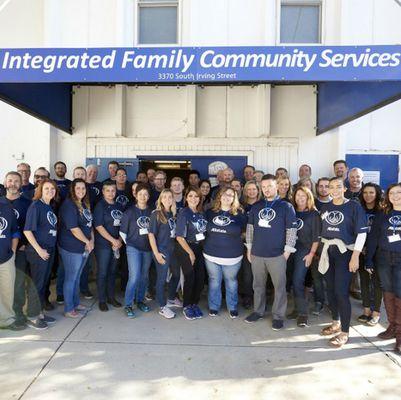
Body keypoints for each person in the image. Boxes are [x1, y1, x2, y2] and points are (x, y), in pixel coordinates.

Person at [318, 177, 367, 347]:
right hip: (328, 252)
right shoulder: (325, 207)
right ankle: (335, 322)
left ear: (345, 189)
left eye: (339, 186)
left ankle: (345, 331)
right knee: (330, 290)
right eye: (331, 187)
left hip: (345, 253)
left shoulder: (353, 206)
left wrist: (355, 256)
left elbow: (361, 233)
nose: (335, 189)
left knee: (341, 292)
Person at [244, 174, 297, 330]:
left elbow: (291, 230)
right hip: (257, 253)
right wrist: (249, 248)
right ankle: (258, 311)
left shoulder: (286, 206)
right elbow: (250, 229)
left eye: (270, 186)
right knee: (258, 285)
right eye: (264, 187)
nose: (266, 189)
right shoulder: (257, 206)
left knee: (279, 287)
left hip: (277, 255)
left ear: (277, 187)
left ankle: (278, 316)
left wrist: (286, 252)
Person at [366, 183, 401, 354]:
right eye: (392, 193)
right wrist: (369, 260)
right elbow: (373, 238)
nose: (395, 196)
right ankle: (393, 327)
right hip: (384, 258)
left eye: (399, 192)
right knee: (387, 292)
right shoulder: (383, 214)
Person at [203, 187, 246, 318]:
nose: (227, 197)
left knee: (231, 281)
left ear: (234, 198)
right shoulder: (210, 212)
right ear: (219, 196)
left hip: (233, 256)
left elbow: (246, 233)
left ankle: (232, 306)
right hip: (211, 255)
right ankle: (213, 306)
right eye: (224, 194)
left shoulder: (240, 214)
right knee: (214, 281)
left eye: (230, 195)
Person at [24, 179, 59, 330]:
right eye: (46, 188)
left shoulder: (48, 207)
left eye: (52, 189)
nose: (50, 191)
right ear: (40, 190)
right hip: (39, 252)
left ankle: (40, 314)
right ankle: (32, 316)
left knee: (44, 283)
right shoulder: (36, 205)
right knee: (37, 284)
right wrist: (39, 250)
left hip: (48, 251)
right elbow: (27, 231)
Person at [58, 179, 94, 318]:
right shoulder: (69, 205)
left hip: (84, 247)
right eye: (78, 188)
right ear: (72, 190)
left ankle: (75, 302)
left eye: (83, 188)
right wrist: (87, 241)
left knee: (77, 277)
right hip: (71, 247)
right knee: (71, 278)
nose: (81, 191)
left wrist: (91, 241)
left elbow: (89, 225)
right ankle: (68, 308)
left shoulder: (84, 204)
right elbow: (73, 228)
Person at [286, 187, 320, 328]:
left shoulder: (314, 214)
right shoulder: (291, 211)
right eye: (297, 195)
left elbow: (316, 237)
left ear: (308, 198)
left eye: (303, 196)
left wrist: (311, 254)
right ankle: (296, 309)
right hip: (290, 249)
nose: (300, 198)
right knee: (292, 281)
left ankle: (303, 314)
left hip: (304, 251)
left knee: (298, 280)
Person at [2, 172, 32, 328]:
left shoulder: (27, 203)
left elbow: (31, 225)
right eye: (10, 181)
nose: (13, 184)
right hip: (2, 250)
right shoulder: (1, 202)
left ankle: (18, 312)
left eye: (16, 181)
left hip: (19, 249)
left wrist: (25, 243)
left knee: (18, 282)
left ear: (21, 184)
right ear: (5, 183)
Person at [119, 183, 152, 318]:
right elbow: (122, 233)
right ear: (136, 195)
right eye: (140, 194)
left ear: (148, 196)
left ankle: (139, 300)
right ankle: (128, 304)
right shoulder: (129, 212)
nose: (143, 197)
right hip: (133, 248)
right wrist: (131, 244)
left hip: (148, 249)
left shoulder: (153, 212)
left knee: (144, 276)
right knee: (134, 276)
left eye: (145, 194)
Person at [175, 186, 207, 320]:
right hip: (186, 248)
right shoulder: (184, 212)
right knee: (190, 278)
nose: (193, 199)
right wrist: (190, 253)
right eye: (190, 196)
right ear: (186, 198)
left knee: (200, 278)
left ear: (200, 198)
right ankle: (187, 305)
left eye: (196, 196)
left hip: (199, 248)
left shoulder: (201, 213)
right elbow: (179, 237)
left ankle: (194, 303)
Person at [148, 189, 181, 319]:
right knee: (161, 279)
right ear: (161, 199)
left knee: (177, 274)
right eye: (165, 197)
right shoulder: (156, 214)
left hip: (173, 250)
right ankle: (162, 306)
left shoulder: (173, 214)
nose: (167, 199)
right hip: (162, 250)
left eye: (170, 197)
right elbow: (151, 235)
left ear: (173, 199)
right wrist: (156, 253)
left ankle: (171, 298)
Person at [93, 181, 123, 311]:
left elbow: (123, 225)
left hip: (116, 245)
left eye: (113, 190)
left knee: (112, 272)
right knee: (103, 272)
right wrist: (113, 240)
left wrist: (120, 240)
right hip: (104, 245)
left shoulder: (119, 205)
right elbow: (98, 226)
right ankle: (102, 300)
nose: (111, 193)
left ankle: (111, 297)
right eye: (108, 190)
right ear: (103, 192)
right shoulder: (100, 206)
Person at [357, 183, 383, 326]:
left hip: (378, 252)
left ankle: (376, 312)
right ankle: (366, 310)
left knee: (377, 283)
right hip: (361, 250)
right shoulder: (359, 209)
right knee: (364, 281)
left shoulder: (383, 211)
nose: (368, 195)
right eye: (365, 192)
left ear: (377, 193)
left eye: (371, 192)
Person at [0, 188, 21, 331]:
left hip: (6, 257)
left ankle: (6, 320)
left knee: (7, 291)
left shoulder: (7, 209)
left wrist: (13, 252)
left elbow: (15, 231)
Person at [239, 181, 261, 309]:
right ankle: (246, 295)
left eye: (254, 189)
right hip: (242, 243)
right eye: (249, 189)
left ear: (258, 191)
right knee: (245, 271)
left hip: (258, 243)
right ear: (245, 191)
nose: (252, 192)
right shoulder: (241, 206)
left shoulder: (262, 205)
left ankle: (255, 296)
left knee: (255, 271)